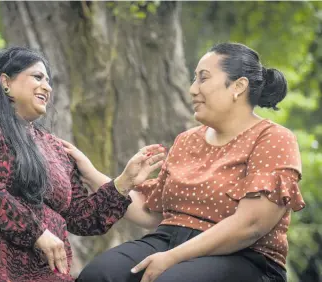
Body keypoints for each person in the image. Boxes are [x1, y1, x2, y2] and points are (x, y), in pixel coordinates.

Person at [0, 46, 167, 282]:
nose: (48, 87)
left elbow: (81, 218)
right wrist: (36, 233)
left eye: (49, 81)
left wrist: (123, 182)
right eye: (38, 77)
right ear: (5, 82)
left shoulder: (54, 147)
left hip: (40, 270)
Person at [70, 43, 306, 282]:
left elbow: (251, 225)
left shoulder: (273, 138)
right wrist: (91, 173)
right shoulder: (186, 140)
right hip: (168, 239)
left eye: (203, 78)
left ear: (238, 86)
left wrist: (173, 257)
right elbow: (151, 212)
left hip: (244, 256)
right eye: (194, 79)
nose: (193, 89)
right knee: (98, 275)